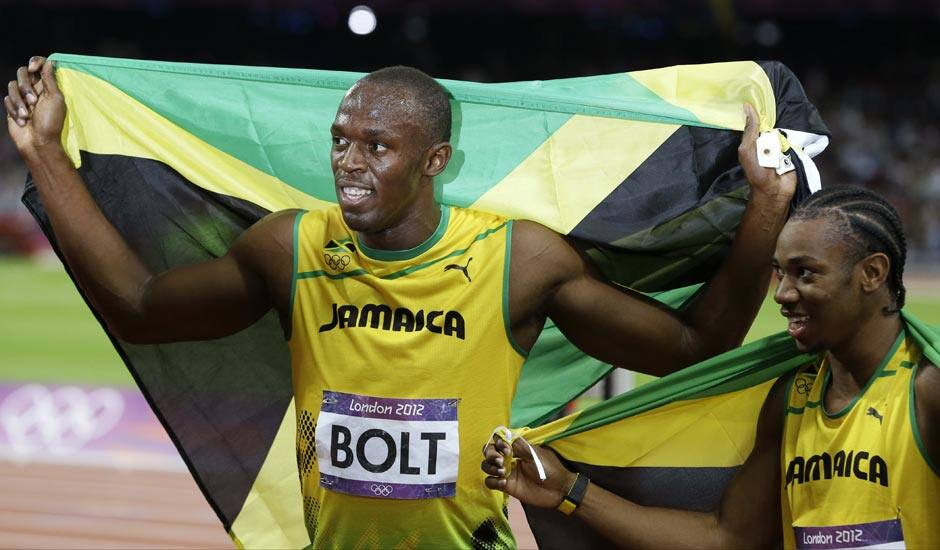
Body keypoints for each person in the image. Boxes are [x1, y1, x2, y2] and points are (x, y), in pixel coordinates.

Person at [6, 56, 795, 549]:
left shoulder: (516, 259)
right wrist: (44, 152)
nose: (348, 163)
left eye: (376, 146)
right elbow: (144, 304)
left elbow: (692, 347)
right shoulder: (292, 247)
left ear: (435, 161)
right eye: (340, 140)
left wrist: (765, 207)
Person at [483, 186, 940, 549]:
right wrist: (570, 490)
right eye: (780, 273)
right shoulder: (793, 397)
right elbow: (726, 538)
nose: (782, 294)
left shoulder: (925, 391)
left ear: (873, 274)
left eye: (806, 273)